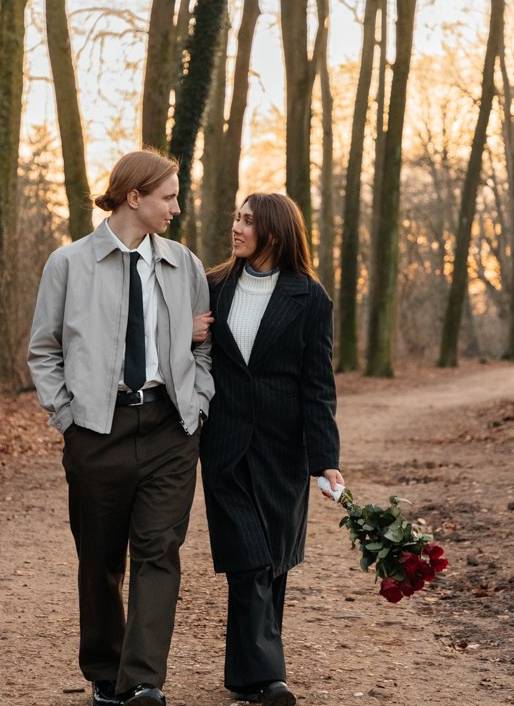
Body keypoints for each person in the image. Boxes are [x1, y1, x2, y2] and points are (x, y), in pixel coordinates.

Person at [28, 149, 214, 706]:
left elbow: (204, 352)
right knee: (101, 559)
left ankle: (143, 682)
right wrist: (68, 417)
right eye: (168, 197)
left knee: (159, 551)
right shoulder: (68, 265)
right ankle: (106, 674)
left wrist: (197, 403)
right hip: (95, 430)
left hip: (168, 430)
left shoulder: (186, 265)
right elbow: (44, 350)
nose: (176, 208)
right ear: (134, 197)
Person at [198, 193, 343, 706]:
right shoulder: (212, 286)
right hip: (225, 445)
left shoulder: (310, 297)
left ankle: (246, 677)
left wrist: (327, 460)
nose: (235, 227)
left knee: (271, 561)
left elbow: (318, 386)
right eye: (236, 216)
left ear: (275, 235)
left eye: (247, 221)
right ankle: (271, 674)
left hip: (284, 450)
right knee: (250, 557)